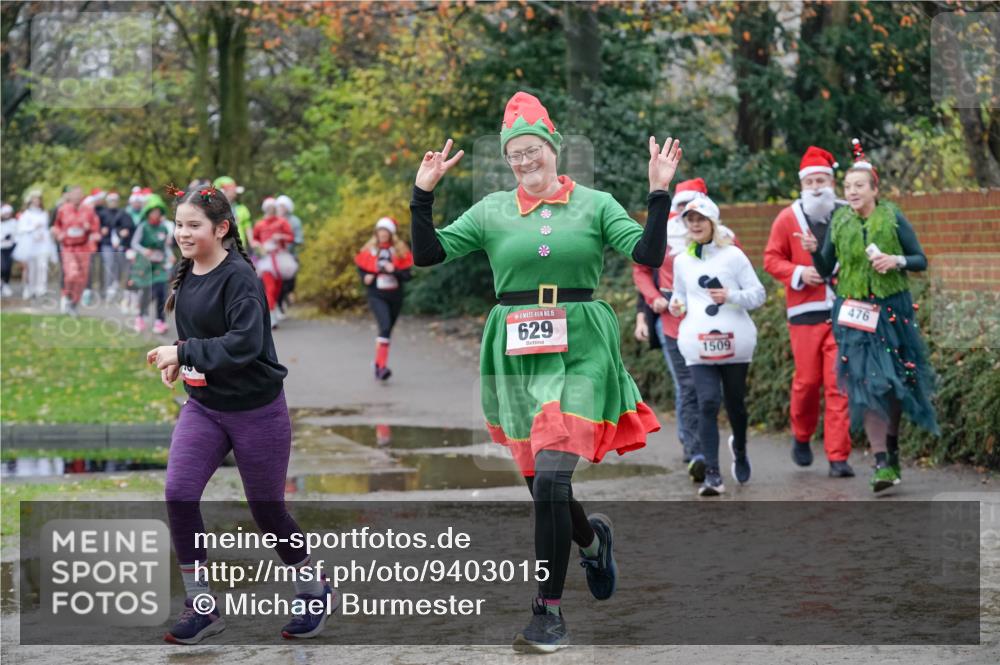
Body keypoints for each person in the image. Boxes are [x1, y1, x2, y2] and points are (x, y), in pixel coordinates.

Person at [409, 91, 678, 653]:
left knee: (554, 479)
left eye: (533, 151)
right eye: (514, 155)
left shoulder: (597, 203)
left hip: (582, 343)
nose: (525, 162)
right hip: (514, 350)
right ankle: (591, 538)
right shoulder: (491, 210)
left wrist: (658, 192)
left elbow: (648, 255)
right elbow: (429, 255)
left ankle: (547, 611)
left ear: (554, 150)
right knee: (542, 485)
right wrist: (422, 195)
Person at [147, 186, 335, 644]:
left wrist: (183, 349)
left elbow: (245, 344)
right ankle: (201, 606)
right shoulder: (188, 271)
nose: (183, 234)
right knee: (179, 493)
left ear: (221, 228)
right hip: (205, 409)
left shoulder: (240, 278)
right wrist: (182, 363)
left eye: (193, 225)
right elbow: (201, 341)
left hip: (257, 413)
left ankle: (313, 588)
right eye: (179, 225)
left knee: (268, 513)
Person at [798, 139, 939, 492]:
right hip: (853, 313)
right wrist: (815, 252)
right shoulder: (840, 220)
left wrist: (897, 261)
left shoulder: (892, 217)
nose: (853, 191)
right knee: (868, 382)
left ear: (874, 188)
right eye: (847, 187)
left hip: (892, 312)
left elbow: (920, 259)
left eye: (859, 186)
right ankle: (880, 462)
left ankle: (891, 450)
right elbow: (828, 267)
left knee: (892, 384)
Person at [764, 146, 854, 478]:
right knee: (807, 382)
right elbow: (771, 259)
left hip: (843, 311)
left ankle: (837, 457)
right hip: (804, 312)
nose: (817, 186)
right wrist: (800, 273)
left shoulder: (847, 213)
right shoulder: (787, 218)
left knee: (837, 384)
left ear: (832, 181)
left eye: (822, 179)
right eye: (811, 181)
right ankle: (801, 436)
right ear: (803, 185)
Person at [670, 196, 766, 496]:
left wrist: (731, 296)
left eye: (700, 219)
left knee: (736, 404)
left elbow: (759, 294)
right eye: (690, 219)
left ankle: (739, 447)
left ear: (713, 222)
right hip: (699, 345)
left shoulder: (733, 256)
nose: (695, 224)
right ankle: (713, 473)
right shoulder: (682, 260)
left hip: (735, 342)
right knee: (708, 402)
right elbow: (680, 296)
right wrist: (676, 305)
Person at [632, 177, 710, 480]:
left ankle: (716, 445)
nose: (684, 217)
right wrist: (653, 300)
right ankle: (694, 451)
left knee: (709, 389)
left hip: (710, 322)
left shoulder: (718, 237)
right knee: (688, 385)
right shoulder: (661, 234)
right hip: (672, 322)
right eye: (679, 209)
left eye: (690, 210)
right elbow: (640, 269)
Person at [354, 216, 414, 380]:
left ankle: (377, 362)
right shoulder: (370, 250)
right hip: (376, 295)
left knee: (386, 331)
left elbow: (408, 275)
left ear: (391, 233)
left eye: (385, 231)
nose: (382, 234)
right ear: (376, 232)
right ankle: (381, 368)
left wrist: (393, 269)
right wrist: (365, 276)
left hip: (395, 296)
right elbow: (361, 268)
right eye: (380, 231)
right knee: (385, 327)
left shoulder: (399, 250)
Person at [51, 186, 100, 316]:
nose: (77, 196)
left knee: (81, 278)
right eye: (75, 194)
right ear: (70, 195)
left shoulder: (89, 210)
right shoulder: (63, 209)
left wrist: (93, 233)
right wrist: (58, 233)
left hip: (83, 247)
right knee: (71, 274)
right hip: (68, 247)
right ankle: (66, 295)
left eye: (80, 194)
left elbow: (96, 229)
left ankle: (74, 304)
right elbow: (55, 226)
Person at [129, 194, 173, 334]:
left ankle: (160, 321)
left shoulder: (164, 228)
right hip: (145, 264)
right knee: (149, 293)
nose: (156, 214)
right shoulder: (143, 226)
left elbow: (165, 247)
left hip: (159, 264)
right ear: (148, 213)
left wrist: (170, 256)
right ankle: (140, 317)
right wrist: (144, 250)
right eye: (153, 211)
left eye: (158, 211)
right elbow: (134, 243)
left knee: (161, 291)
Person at [252, 196, 295, 326]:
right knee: (269, 287)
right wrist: (258, 246)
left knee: (278, 288)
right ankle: (270, 316)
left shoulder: (282, 222)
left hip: (280, 258)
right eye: (268, 208)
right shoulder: (260, 224)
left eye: (273, 208)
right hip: (266, 260)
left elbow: (291, 237)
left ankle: (274, 307)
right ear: (265, 209)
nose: (271, 210)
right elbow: (255, 240)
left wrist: (280, 236)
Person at [13, 190, 54, 300]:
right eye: (34, 199)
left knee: (42, 266)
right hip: (30, 244)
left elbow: (45, 227)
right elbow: (21, 229)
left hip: (42, 243)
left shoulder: (44, 214)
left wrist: (44, 235)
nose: (36, 202)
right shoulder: (26, 214)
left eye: (38, 199)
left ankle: (41, 288)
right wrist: (33, 228)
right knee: (31, 268)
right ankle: (29, 288)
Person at [275, 194, 304, 318]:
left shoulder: (294, 221)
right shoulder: (273, 220)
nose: (280, 208)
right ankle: (279, 304)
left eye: (283, 206)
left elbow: (299, 239)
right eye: (279, 206)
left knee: (290, 283)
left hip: (290, 254)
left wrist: (287, 240)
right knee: (278, 283)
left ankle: (286, 296)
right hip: (276, 257)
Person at [214, 176, 253, 251]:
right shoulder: (213, 210)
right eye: (231, 190)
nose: (235, 193)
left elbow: (247, 226)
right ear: (222, 192)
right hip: (221, 248)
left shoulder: (242, 209)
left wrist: (251, 242)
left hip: (239, 248)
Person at [0, 204, 15, 297]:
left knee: (8, 267)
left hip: (10, 247)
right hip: (1, 247)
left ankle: (6, 284)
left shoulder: (13, 222)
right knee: (3, 267)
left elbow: (16, 233)